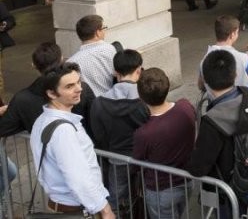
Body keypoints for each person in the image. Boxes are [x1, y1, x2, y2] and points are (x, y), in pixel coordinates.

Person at [186, 50, 248, 217]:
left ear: (205, 80)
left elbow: (199, 166)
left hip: (230, 191)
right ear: (236, 74)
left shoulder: (212, 121)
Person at [30, 62, 115, 218]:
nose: (79, 88)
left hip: (61, 205)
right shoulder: (63, 131)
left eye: (78, 82)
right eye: (69, 86)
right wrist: (104, 208)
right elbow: (78, 178)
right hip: (75, 209)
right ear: (51, 93)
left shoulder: (41, 120)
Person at [89, 49, 149, 215]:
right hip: (145, 160)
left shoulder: (99, 103)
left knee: (116, 201)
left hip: (115, 159)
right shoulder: (145, 100)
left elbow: (98, 135)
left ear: (115, 72)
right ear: (139, 70)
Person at [133, 68, 196, 219]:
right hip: (186, 181)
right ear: (167, 85)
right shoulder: (185, 107)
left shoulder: (144, 133)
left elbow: (136, 163)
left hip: (161, 189)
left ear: (141, 97)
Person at [0, 42, 96, 136]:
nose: (77, 89)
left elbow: (4, 128)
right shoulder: (83, 89)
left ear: (34, 65)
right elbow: (96, 121)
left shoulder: (22, 100)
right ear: (62, 59)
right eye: (69, 86)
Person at [198, 15, 248, 94]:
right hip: (243, 103)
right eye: (237, 32)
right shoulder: (243, 58)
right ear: (232, 34)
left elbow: (201, 86)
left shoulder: (204, 60)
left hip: (217, 104)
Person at [67, 14, 118, 96]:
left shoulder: (71, 62)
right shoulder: (109, 49)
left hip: (89, 105)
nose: (105, 31)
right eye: (104, 28)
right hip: (111, 99)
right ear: (97, 33)